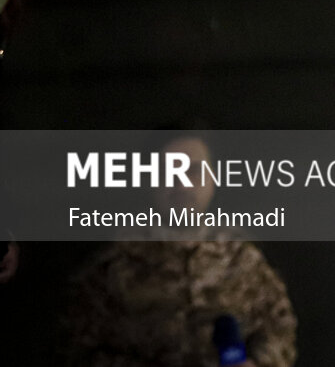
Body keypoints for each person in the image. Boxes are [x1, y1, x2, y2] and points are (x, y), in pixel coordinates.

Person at [64, 133, 297, 367]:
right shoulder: (113, 268)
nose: (182, 184)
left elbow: (280, 328)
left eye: (194, 171)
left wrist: (258, 363)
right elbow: (77, 349)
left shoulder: (244, 261)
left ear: (213, 179)